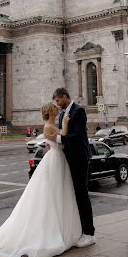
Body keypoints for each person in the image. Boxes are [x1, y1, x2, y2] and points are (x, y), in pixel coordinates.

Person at [0, 102, 81, 257]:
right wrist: (66, 124)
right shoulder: (48, 126)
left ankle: (60, 228)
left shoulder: (52, 124)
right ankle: (51, 231)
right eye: (54, 107)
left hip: (57, 159)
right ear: (50, 111)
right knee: (51, 193)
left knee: (59, 192)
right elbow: (62, 139)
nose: (57, 108)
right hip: (54, 160)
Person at [46, 87, 95, 248]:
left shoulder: (78, 110)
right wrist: (53, 141)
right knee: (73, 195)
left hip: (79, 158)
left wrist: (58, 139)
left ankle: (89, 233)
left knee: (82, 195)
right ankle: (79, 229)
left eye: (58, 100)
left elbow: (78, 135)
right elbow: (62, 133)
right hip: (68, 159)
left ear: (65, 97)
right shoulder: (63, 114)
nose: (57, 104)